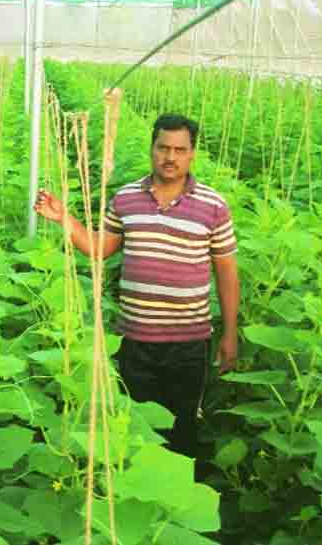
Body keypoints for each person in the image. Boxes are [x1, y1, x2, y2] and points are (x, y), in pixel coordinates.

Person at [34, 113, 240, 458]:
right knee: (135, 427)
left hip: (188, 341)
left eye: (179, 149)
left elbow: (227, 272)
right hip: (135, 339)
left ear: (192, 154)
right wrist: (63, 218)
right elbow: (99, 250)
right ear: (152, 148)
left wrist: (230, 333)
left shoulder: (213, 205)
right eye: (163, 147)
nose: (170, 157)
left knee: (182, 427)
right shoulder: (126, 198)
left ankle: (177, 499)